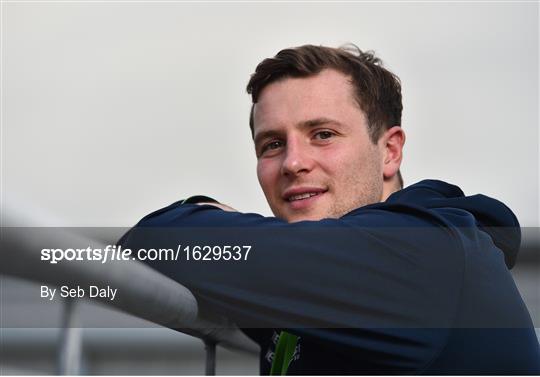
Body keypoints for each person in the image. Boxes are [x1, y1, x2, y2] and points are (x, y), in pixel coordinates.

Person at [119, 45, 540, 374]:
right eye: (272, 144)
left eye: (323, 134)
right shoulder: (323, 283)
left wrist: (208, 217)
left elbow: (158, 239)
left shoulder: (422, 255)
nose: (293, 162)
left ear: (390, 151)